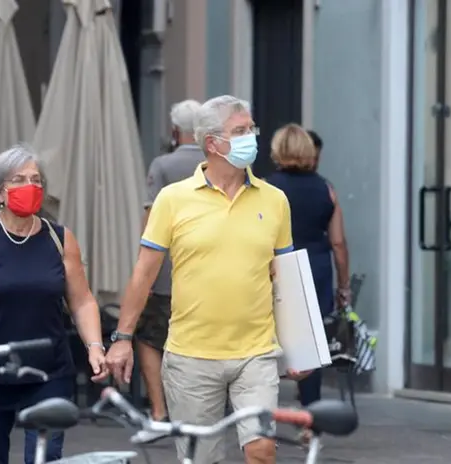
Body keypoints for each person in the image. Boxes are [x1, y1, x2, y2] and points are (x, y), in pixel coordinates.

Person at [105, 95, 306, 464]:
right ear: (212, 143)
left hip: (256, 355)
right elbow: (144, 272)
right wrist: (122, 339)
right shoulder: (173, 199)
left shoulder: (275, 200)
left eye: (252, 129)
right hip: (191, 357)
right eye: (241, 131)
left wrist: (302, 346)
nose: (252, 138)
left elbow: (285, 275)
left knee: (262, 450)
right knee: (202, 460)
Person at [0, 144, 109, 464]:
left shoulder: (60, 238)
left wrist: (94, 345)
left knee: (45, 456)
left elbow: (82, 301)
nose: (29, 187)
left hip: (48, 372)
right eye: (19, 179)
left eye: (35, 180)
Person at [265, 124, 350, 444]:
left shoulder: (265, 188)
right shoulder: (326, 190)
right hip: (314, 269)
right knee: (309, 348)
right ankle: (311, 421)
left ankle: (264, 417)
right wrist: (344, 286)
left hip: (275, 268)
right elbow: (339, 243)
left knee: (266, 342)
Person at [136, 99, 205, 424]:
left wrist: (142, 273)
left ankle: (159, 410)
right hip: (205, 270)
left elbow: (150, 224)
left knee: (150, 338)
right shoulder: (214, 161)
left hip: (165, 272)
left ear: (175, 130)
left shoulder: (162, 165)